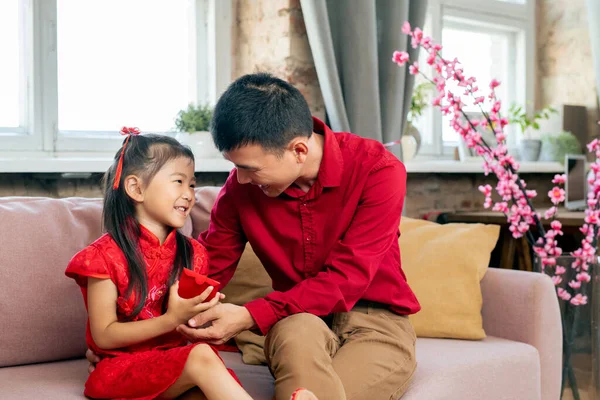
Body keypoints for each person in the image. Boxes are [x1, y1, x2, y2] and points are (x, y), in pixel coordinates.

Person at [180, 73, 421, 400]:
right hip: (295, 320)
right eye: (235, 166)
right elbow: (209, 268)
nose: (241, 179)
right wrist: (133, 335)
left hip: (375, 319)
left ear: (298, 150)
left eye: (251, 168)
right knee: (294, 330)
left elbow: (347, 278)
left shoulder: (378, 170)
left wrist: (251, 314)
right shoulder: (240, 188)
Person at [66, 129, 255, 400]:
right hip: (121, 370)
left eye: (192, 184)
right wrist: (172, 319)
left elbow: (187, 330)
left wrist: (203, 312)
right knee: (201, 358)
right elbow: (104, 336)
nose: (190, 194)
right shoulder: (103, 257)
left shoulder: (194, 253)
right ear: (136, 188)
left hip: (175, 363)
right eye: (178, 181)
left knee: (204, 384)